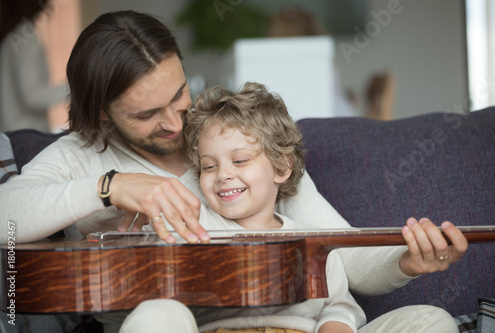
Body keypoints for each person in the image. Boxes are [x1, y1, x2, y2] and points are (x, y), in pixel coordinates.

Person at [0, 11, 466, 332]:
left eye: (178, 95)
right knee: (158, 316)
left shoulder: (233, 140)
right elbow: (7, 218)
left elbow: (344, 259)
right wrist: (111, 187)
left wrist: (407, 262)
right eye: (146, 115)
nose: (175, 123)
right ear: (102, 113)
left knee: (430, 322)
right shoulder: (80, 156)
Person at [0, 0, 68, 133]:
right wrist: (79, 87)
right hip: (25, 139)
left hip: (10, 138)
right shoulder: (25, 41)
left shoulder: (9, 38)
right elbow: (33, 96)